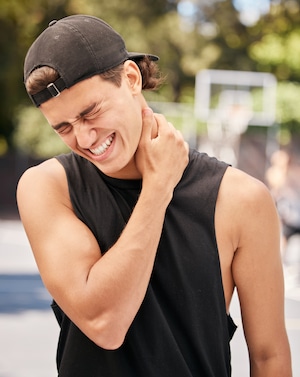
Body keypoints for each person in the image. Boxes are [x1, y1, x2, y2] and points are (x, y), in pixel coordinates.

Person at [17, 15, 292, 377]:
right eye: (64, 127)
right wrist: (159, 185)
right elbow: (105, 323)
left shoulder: (241, 199)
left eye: (91, 112)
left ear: (131, 79)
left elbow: (269, 356)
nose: (84, 139)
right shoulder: (49, 188)